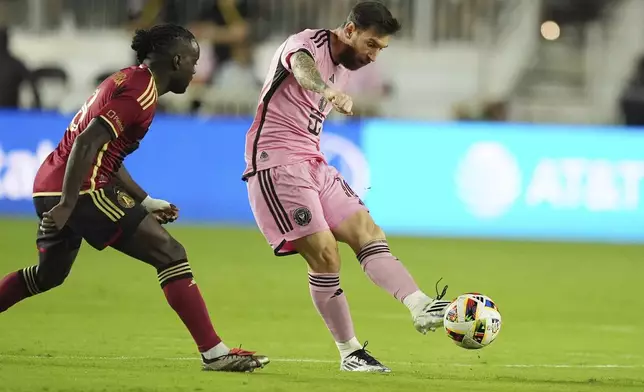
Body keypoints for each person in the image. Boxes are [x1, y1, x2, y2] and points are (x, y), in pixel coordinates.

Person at [0, 24, 269, 373]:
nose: (195, 69)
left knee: (47, 276)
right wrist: (67, 204)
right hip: (82, 189)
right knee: (170, 254)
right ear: (176, 60)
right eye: (193, 61)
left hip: (51, 183)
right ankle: (215, 353)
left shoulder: (129, 79)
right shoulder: (140, 92)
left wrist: (144, 201)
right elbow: (87, 144)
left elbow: (108, 154)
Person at [242, 2, 450, 373]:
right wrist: (328, 91)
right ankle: (350, 352)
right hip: (276, 163)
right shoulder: (305, 43)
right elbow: (303, 71)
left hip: (314, 162)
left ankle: (420, 305)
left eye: (381, 49)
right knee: (325, 255)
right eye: (371, 45)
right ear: (350, 30)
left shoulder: (346, 65)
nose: (373, 56)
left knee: (368, 232)